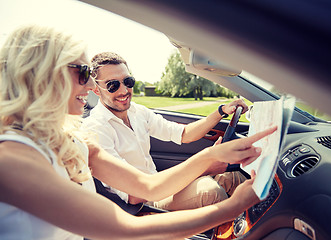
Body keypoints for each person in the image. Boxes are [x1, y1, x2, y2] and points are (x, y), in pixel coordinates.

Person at [0, 24, 276, 240]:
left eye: (128, 81)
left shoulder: (74, 142)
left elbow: (149, 185)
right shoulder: (12, 161)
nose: (89, 87)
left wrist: (210, 156)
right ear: (42, 75)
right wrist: (232, 207)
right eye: (83, 73)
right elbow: (127, 227)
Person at [82, 52, 250, 210]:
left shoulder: (138, 112)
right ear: (96, 90)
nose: (124, 90)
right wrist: (206, 164)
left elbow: (183, 134)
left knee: (232, 176)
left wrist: (221, 111)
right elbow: (135, 195)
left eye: (128, 81)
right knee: (209, 191)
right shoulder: (96, 129)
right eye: (113, 85)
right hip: (144, 201)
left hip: (160, 184)